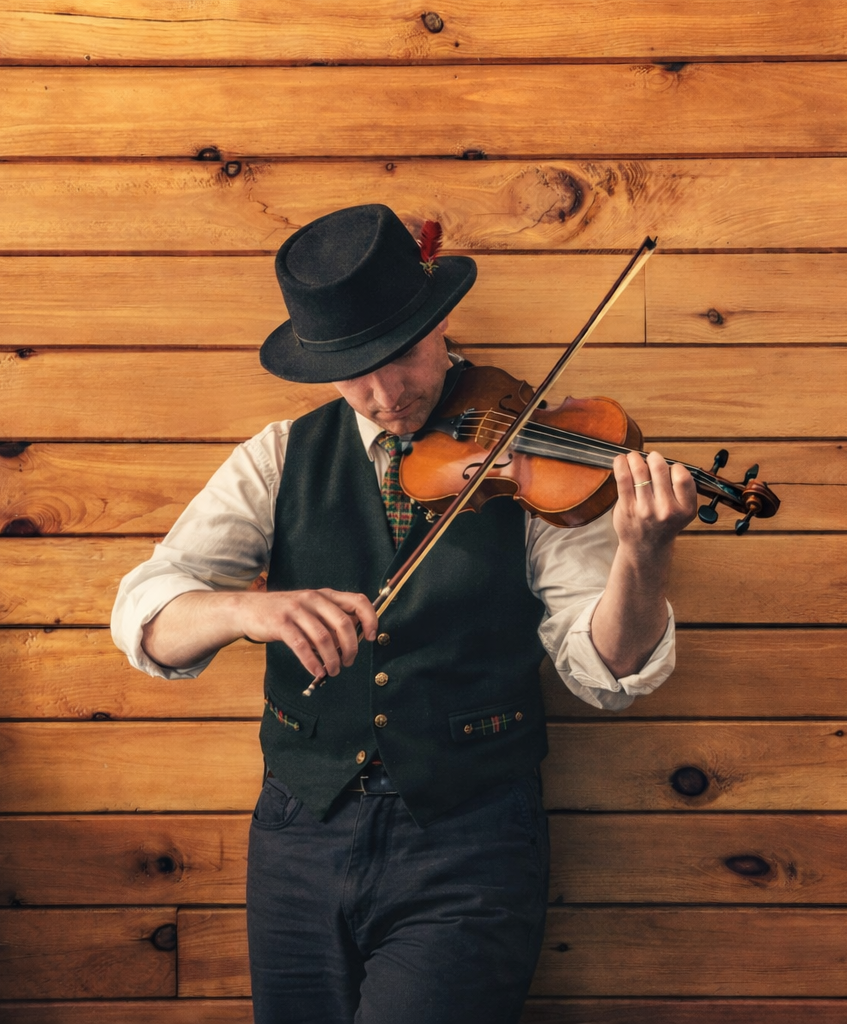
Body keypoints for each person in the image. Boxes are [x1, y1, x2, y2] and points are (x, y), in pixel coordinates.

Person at [110, 203, 697, 1023]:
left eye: (402, 356)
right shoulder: (279, 456)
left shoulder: (529, 449)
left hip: (470, 836)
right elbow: (146, 613)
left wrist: (643, 552)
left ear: (440, 321)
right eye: (354, 371)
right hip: (297, 830)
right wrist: (249, 610)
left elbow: (606, 670)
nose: (386, 396)